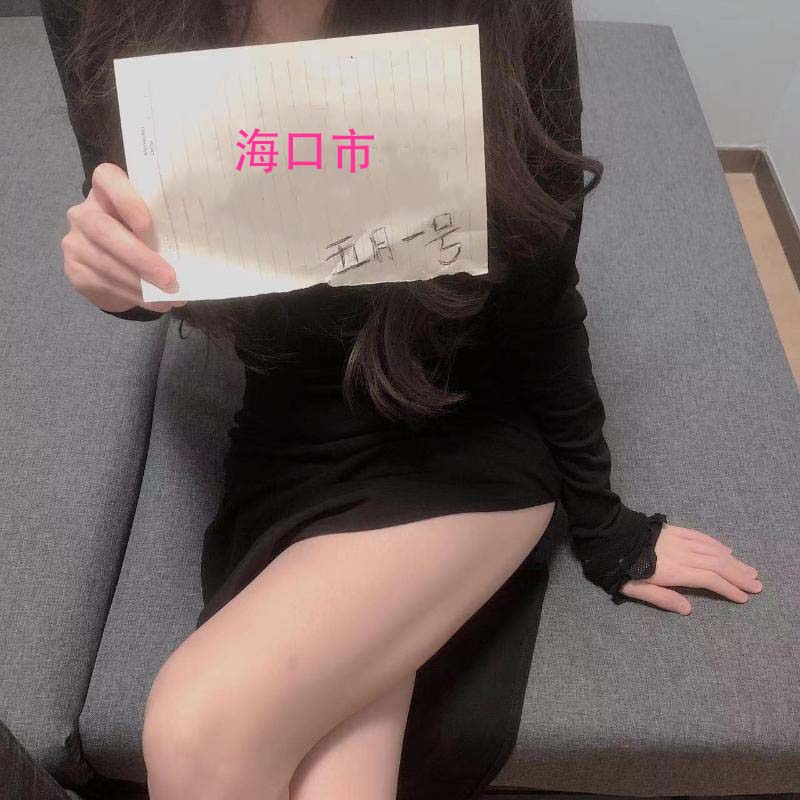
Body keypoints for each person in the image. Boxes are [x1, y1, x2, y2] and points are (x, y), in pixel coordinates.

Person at [40, 1, 763, 798]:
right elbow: (135, 232)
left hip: (469, 419)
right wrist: (116, 277)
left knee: (197, 729)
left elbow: (543, 293)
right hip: (292, 424)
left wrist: (605, 525)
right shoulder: (103, 9)